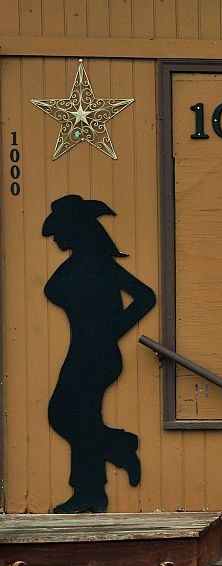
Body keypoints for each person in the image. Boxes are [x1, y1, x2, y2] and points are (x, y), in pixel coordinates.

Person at [42, 195, 156, 514]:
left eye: (59, 231)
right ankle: (98, 482)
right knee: (76, 417)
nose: (56, 239)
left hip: (97, 354)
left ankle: (95, 480)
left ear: (75, 229)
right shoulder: (84, 262)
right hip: (87, 351)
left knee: (66, 414)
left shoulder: (98, 263)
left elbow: (145, 296)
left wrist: (112, 329)